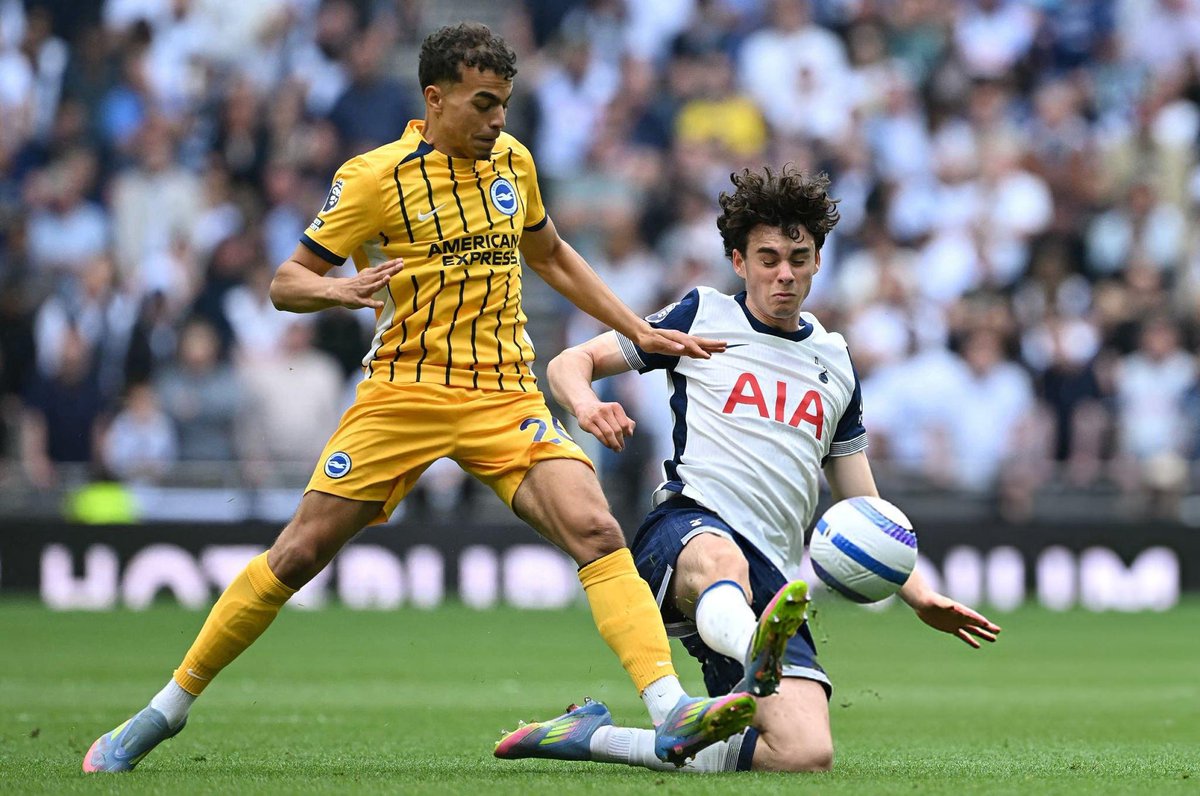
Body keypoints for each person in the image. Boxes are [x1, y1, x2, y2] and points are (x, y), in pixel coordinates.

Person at [82, 22, 755, 774]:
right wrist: (340, 288)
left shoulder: (514, 163)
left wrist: (638, 329)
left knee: (596, 528)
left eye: (504, 104)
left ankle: (668, 711)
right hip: (404, 392)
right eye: (484, 104)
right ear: (436, 99)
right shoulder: (374, 178)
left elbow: (551, 254)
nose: (499, 120)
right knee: (299, 553)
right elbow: (285, 282)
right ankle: (163, 710)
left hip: (503, 392)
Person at [494, 166, 1001, 772]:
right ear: (738, 261)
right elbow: (569, 362)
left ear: (817, 262)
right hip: (687, 532)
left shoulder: (835, 361)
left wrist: (918, 594)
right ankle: (753, 644)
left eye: (798, 257)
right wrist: (586, 404)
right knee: (721, 558)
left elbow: (863, 507)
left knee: (804, 753)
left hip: (773, 581)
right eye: (767, 258)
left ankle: (594, 737)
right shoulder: (700, 316)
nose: (783, 273)